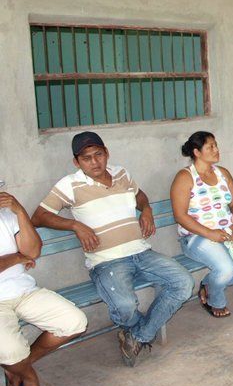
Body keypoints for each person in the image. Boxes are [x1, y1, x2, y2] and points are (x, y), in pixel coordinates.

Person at [31, 132, 194, 367]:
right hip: (107, 262)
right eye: (86, 158)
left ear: (106, 153)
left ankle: (137, 335)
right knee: (125, 306)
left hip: (142, 253)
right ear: (77, 162)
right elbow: (38, 216)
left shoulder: (121, 173)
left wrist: (146, 209)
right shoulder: (70, 184)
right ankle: (138, 332)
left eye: (98, 154)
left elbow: (140, 196)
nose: (94, 162)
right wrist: (74, 225)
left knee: (183, 283)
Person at [1, 190, 87, 386]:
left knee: (74, 322)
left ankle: (16, 370)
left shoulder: (7, 217)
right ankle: (29, 377)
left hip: (23, 291)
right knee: (10, 350)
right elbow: (25, 255)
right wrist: (18, 257)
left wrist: (19, 210)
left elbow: (34, 250)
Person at [170, 132, 233, 319]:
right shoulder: (185, 177)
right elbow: (180, 216)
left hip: (228, 231)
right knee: (226, 268)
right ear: (197, 152)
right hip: (196, 236)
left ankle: (208, 284)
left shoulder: (222, 173)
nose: (216, 150)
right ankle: (216, 300)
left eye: (216, 145)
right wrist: (210, 233)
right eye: (210, 147)